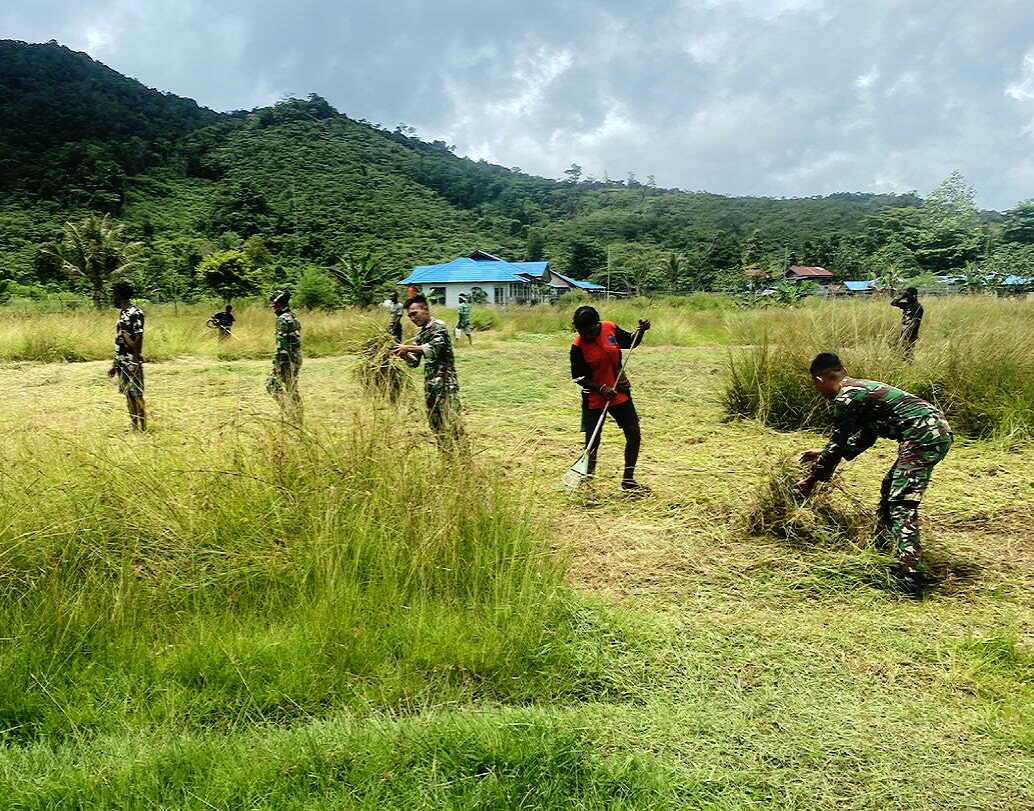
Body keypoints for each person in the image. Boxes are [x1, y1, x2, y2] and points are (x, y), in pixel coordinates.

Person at [795, 352, 953, 599]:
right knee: (890, 488)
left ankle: (911, 579)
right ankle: (883, 544)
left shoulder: (846, 398)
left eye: (815, 386)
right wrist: (822, 452)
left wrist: (810, 481)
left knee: (902, 503)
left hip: (923, 435)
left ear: (819, 379)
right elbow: (866, 437)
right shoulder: (859, 388)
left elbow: (837, 444)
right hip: (930, 432)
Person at [569, 305, 650, 493]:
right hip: (594, 398)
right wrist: (600, 388)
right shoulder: (577, 346)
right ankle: (588, 486)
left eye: (589, 332)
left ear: (597, 324)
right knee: (592, 442)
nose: (586, 336)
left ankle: (628, 481)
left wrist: (641, 331)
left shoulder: (610, 328)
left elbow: (630, 343)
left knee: (634, 433)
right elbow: (578, 377)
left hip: (619, 391)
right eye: (581, 332)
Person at [394, 294, 465, 449]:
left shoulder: (438, 326)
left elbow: (433, 349)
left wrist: (408, 347)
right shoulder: (420, 335)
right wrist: (404, 355)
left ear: (425, 310)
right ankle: (447, 457)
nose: (412, 318)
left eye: (415, 313)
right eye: (410, 316)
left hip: (446, 385)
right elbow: (414, 363)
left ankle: (463, 459)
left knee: (453, 422)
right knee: (435, 424)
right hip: (430, 386)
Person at [107, 280, 147, 431]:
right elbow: (120, 341)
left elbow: (139, 338)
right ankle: (134, 426)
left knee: (137, 395)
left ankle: (143, 428)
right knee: (128, 395)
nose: (112, 298)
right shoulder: (123, 313)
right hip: (122, 361)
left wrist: (135, 362)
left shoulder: (135, 313)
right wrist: (114, 365)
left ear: (118, 295)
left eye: (113, 295)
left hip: (131, 362)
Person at [266, 290, 302, 415]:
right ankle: (298, 415)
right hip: (296, 358)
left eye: (275, 306)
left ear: (279, 304)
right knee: (291, 388)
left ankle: (287, 411)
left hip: (285, 359)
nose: (274, 309)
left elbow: (282, 344)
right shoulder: (294, 318)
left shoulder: (281, 319)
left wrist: (278, 362)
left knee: (271, 384)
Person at [890, 287, 923, 359]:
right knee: (894, 346)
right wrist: (902, 296)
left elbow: (915, 322)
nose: (907, 298)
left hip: (911, 333)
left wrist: (906, 334)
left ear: (914, 296)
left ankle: (910, 366)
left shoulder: (918, 307)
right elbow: (893, 303)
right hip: (904, 331)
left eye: (908, 295)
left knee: (908, 353)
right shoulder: (907, 305)